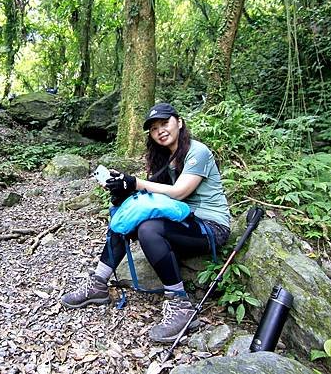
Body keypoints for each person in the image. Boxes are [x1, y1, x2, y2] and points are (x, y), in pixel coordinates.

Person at [60, 102, 231, 344]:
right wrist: (122, 191)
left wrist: (136, 182)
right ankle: (98, 283)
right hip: (180, 220)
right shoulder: (163, 157)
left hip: (209, 226)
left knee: (148, 228)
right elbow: (153, 198)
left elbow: (179, 192)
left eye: (165, 123)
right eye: (154, 128)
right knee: (127, 218)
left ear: (179, 122)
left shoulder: (197, 151)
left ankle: (180, 305)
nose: (160, 130)